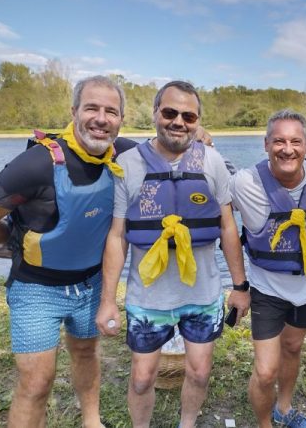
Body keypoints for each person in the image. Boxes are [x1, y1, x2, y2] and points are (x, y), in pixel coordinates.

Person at [0, 75, 134, 428]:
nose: (101, 118)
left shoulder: (125, 152)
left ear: (120, 119)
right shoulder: (36, 164)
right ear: (74, 111)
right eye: (91, 107)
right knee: (36, 382)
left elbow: (165, 150)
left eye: (111, 111)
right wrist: (10, 239)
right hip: (36, 288)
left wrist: (201, 140)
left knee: (85, 351)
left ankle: (91, 422)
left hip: (90, 283)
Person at [95, 80, 249, 428]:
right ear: (155, 114)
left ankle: (188, 423)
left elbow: (227, 228)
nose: (178, 121)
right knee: (141, 378)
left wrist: (240, 286)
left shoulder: (212, 162)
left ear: (197, 121)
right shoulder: (128, 164)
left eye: (188, 116)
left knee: (198, 372)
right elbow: (117, 236)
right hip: (147, 297)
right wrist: (107, 300)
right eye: (170, 112)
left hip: (203, 294)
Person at [229, 109, 306, 428]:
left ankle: (284, 409)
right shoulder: (244, 183)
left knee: (293, 346)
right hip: (266, 288)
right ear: (265, 144)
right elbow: (218, 213)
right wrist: (239, 286)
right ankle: (265, 424)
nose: (287, 149)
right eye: (278, 141)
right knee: (264, 370)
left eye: (295, 141)